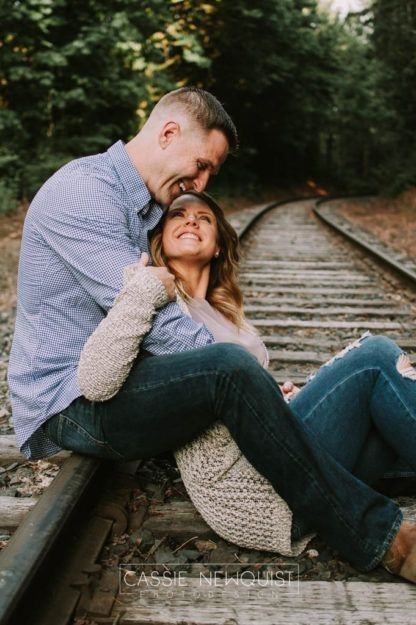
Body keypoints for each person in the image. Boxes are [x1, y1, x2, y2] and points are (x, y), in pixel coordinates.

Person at [7, 88, 416, 580]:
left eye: (208, 178)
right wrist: (257, 389)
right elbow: (156, 323)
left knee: (373, 411)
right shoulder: (85, 193)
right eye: (201, 166)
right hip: (68, 399)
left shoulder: (144, 206)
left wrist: (265, 399)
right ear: (168, 133)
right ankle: (380, 537)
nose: (198, 185)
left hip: (119, 378)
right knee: (229, 368)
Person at [74, 189, 416, 578]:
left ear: (219, 245)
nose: (191, 220)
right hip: (257, 486)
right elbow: (95, 378)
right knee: (373, 358)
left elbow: (248, 408)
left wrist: (279, 400)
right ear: (159, 241)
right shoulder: (153, 296)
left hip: (293, 466)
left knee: (388, 411)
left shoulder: (233, 322)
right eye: (178, 215)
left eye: (204, 218)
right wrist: (145, 290)